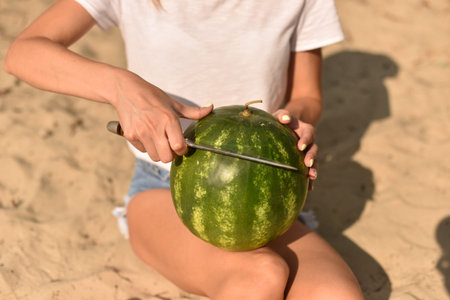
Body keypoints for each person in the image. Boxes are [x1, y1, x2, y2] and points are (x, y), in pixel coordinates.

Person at [4, 0, 364, 299]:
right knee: (261, 275)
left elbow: (307, 96)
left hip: (267, 197)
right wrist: (120, 86)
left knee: (336, 295)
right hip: (164, 190)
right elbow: (24, 52)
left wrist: (296, 120)